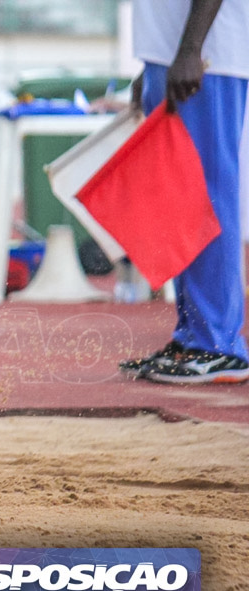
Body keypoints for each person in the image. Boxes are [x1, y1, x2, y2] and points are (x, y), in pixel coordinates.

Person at [119, 0, 249, 384]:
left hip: (209, 57)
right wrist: (154, 61)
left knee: (205, 196)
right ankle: (192, 335)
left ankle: (219, 345)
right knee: (179, 198)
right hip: (175, 53)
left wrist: (190, 51)